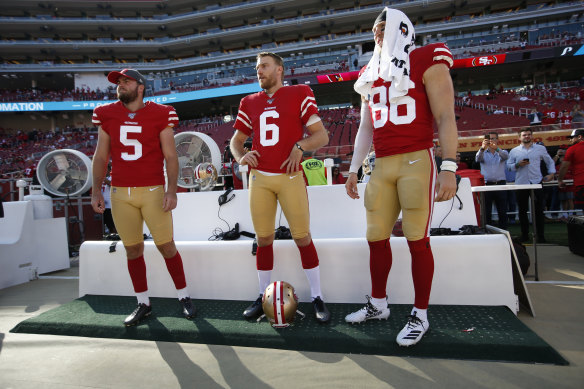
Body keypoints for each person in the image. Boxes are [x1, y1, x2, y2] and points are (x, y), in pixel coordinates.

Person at [344, 8, 458, 347]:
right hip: (382, 164)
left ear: (403, 29)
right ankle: (379, 304)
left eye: (384, 28)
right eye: (375, 31)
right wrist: (353, 169)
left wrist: (450, 166)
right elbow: (366, 126)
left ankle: (420, 314)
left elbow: (445, 115)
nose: (378, 35)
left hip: (416, 161)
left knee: (416, 240)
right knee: (375, 237)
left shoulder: (426, 58)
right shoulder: (370, 72)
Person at [230, 52, 331, 323]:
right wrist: (242, 157)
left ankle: (318, 295)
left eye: (264, 66)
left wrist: (300, 146)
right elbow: (235, 141)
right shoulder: (248, 101)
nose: (259, 71)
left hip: (290, 177)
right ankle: (263, 294)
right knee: (263, 239)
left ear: (279, 70)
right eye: (257, 67)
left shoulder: (299, 93)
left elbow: (321, 135)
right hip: (260, 178)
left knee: (302, 237)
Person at [91, 68, 195, 326]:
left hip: (152, 191)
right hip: (120, 193)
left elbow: (171, 156)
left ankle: (184, 296)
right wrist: (95, 189)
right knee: (132, 249)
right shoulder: (105, 114)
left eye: (126, 81)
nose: (120, 85)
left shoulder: (161, 113)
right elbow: (101, 156)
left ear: (140, 87)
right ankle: (143, 302)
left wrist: (171, 190)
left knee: (166, 246)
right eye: (118, 82)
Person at [507, 129, 555, 243]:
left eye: (529, 134)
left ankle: (541, 236)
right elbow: (508, 166)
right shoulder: (514, 151)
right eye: (524, 135)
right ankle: (524, 235)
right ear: (519, 137)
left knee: (539, 210)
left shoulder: (540, 148)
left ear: (532, 136)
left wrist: (551, 174)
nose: (527, 136)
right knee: (522, 211)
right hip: (521, 183)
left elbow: (549, 161)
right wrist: (518, 164)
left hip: (536, 182)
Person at [475, 132, 509, 229]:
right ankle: (487, 231)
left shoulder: (503, 152)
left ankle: (504, 230)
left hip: (500, 184)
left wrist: (497, 149)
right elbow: (477, 159)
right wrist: (482, 148)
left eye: (494, 138)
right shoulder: (482, 153)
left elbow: (506, 157)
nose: (491, 141)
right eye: (489, 139)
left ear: (497, 140)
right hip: (486, 184)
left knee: (502, 210)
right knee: (487, 211)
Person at [558, 129, 584, 217]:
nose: (570, 140)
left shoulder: (572, 149)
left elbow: (564, 166)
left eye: (572, 138)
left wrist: (560, 180)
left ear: (580, 137)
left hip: (581, 183)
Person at [101, 163, 117, 234]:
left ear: (109, 169)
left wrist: (103, 178)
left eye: (105, 169)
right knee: (102, 224)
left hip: (110, 206)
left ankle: (116, 238)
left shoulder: (113, 177)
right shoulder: (100, 179)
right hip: (102, 206)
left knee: (112, 225)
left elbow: (112, 184)